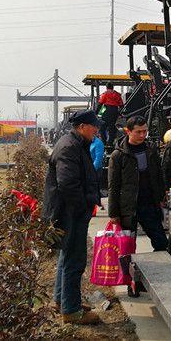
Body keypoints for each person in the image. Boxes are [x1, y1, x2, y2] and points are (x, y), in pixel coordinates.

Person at [42, 109, 103, 325]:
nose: (97, 129)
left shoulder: (75, 143)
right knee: (74, 260)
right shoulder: (70, 147)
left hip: (68, 211)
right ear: (81, 127)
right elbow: (68, 184)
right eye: (94, 126)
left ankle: (62, 300)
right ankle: (72, 311)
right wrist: (83, 207)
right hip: (69, 213)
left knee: (66, 257)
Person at [107, 116, 168, 251]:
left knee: (161, 242)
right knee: (127, 246)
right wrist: (113, 213)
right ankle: (127, 271)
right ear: (128, 132)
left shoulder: (150, 150)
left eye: (144, 131)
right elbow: (113, 186)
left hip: (149, 204)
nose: (142, 135)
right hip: (128, 208)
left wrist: (161, 196)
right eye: (138, 132)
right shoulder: (118, 155)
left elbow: (158, 175)